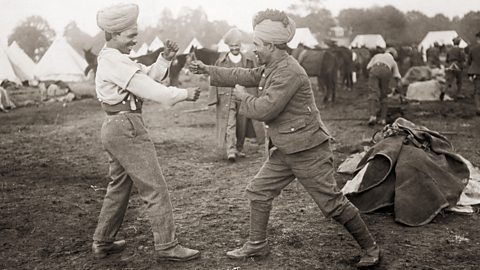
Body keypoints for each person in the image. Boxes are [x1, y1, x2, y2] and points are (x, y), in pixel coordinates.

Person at [190, 9, 380, 268]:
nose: (253, 49)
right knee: (258, 191)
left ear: (270, 45)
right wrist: (207, 70)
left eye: (257, 45)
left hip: (308, 150)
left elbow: (264, 109)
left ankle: (371, 248)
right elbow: (242, 75)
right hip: (285, 148)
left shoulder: (290, 71)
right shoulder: (272, 65)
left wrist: (240, 97)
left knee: (333, 205)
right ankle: (257, 245)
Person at [92, 3, 200, 261]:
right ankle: (167, 245)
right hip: (127, 127)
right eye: (130, 36)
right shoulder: (114, 61)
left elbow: (147, 77)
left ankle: (103, 240)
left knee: (118, 186)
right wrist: (184, 94)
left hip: (115, 127)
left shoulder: (116, 59)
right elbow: (152, 90)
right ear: (115, 34)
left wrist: (164, 59)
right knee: (155, 187)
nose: (134, 40)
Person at [207, 28, 264, 162]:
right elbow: (214, 78)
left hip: (244, 95)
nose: (234, 48)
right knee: (229, 122)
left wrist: (258, 94)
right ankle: (230, 150)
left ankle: (239, 148)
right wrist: (213, 98)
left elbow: (256, 78)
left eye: (237, 45)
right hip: (226, 95)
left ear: (240, 45)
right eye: (232, 46)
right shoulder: (221, 61)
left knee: (242, 123)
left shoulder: (249, 61)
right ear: (228, 46)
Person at [365, 47, 402, 126]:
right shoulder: (393, 61)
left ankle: (373, 116)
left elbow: (368, 67)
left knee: (373, 93)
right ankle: (383, 119)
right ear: (394, 55)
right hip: (386, 70)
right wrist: (398, 87)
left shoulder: (377, 56)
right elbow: (397, 76)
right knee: (384, 95)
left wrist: (372, 78)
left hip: (374, 69)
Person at [468, 31, 480, 115]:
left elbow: (469, 62)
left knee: (477, 91)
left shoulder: (473, 49)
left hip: (476, 72)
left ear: (478, 39)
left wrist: (470, 74)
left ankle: (478, 108)